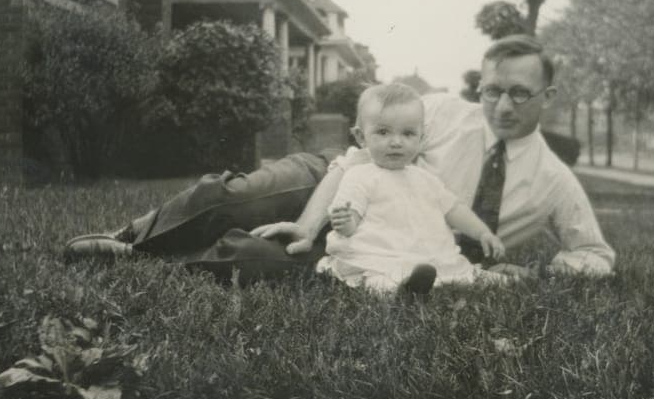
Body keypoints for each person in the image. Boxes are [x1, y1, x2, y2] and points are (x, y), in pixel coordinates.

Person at [64, 35, 614, 283]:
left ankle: (142, 262)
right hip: (333, 175)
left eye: (520, 93)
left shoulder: (552, 181)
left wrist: (551, 270)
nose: (501, 105)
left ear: (549, 97)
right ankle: (131, 235)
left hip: (380, 242)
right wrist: (309, 222)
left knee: (259, 261)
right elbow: (359, 154)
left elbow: (593, 252)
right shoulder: (444, 112)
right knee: (237, 197)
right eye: (492, 89)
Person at [319, 82, 505, 296]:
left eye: (408, 134)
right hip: (378, 254)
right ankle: (402, 291)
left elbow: (454, 210)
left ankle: (492, 280)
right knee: (378, 279)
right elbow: (352, 220)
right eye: (383, 132)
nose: (396, 142)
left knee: (458, 272)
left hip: (421, 254)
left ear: (421, 137)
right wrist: (344, 223)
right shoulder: (360, 175)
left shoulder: (426, 179)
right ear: (361, 137)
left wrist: (482, 232)